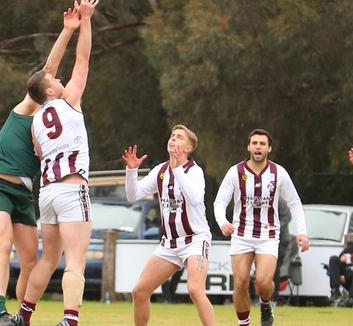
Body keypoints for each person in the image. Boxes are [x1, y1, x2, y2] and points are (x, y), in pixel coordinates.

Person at [0, 2, 82, 326]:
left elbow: (50, 79)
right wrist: (67, 31)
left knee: (31, 261)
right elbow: (47, 72)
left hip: (27, 191)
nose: (56, 81)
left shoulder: (49, 115)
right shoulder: (30, 106)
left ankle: (19, 317)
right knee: (3, 245)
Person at [9, 0, 98, 326]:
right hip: (72, 188)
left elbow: (39, 152)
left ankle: (24, 316)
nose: (60, 80)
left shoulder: (34, 122)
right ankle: (70, 319)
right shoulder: (69, 99)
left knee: (49, 258)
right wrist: (86, 21)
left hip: (47, 193)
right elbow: (83, 61)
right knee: (75, 258)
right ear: (49, 91)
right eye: (54, 81)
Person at [214, 129, 309, 326]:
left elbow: (295, 202)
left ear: (269, 148)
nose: (258, 146)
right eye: (255, 143)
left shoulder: (278, 172)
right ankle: (244, 323)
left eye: (262, 143)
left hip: (268, 234)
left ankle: (265, 304)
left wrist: (302, 232)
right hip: (241, 234)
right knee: (240, 283)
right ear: (248, 146)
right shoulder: (235, 172)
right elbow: (219, 202)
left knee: (264, 282)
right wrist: (222, 221)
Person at [123, 125, 215, 326]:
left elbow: (195, 198)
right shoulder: (160, 171)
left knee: (195, 290)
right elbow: (133, 195)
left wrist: (178, 168)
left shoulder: (194, 171)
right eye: (172, 136)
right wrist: (132, 170)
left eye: (179, 137)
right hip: (170, 244)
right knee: (139, 291)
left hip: (195, 240)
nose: (173, 139)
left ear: (188, 148)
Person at [327, 242, 353, 307]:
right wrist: (343, 258)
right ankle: (335, 290)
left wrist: (345, 277)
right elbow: (341, 257)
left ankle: (351, 299)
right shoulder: (351, 247)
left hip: (348, 277)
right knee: (334, 259)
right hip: (348, 278)